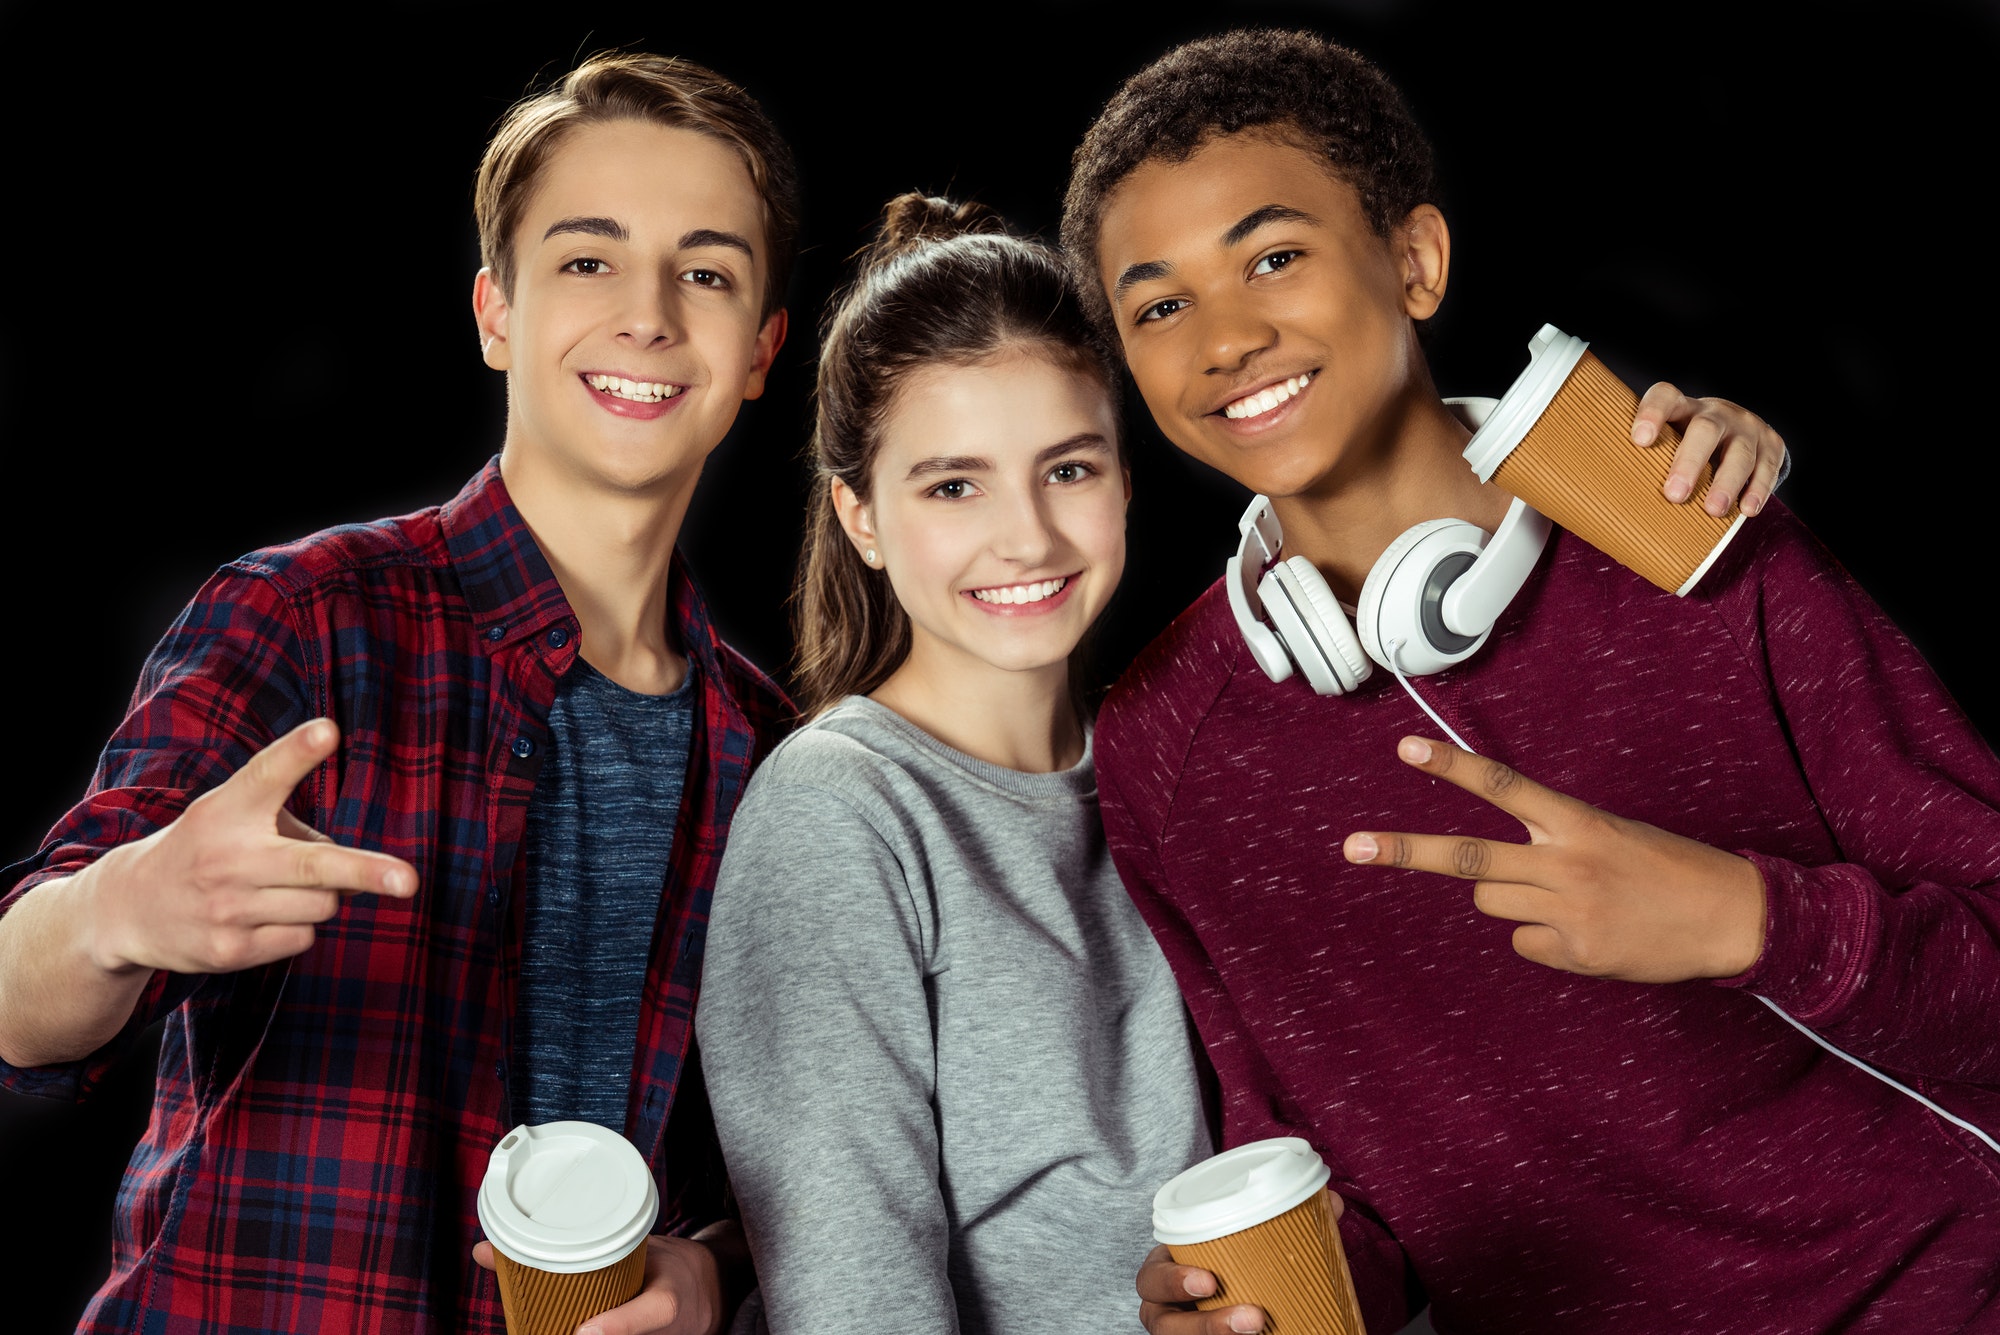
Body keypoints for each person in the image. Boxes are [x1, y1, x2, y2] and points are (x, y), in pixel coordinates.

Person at [1057, 29, 2000, 1335]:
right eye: (1158, 304)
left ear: (1415, 260)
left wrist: (1748, 918)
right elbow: (1328, 1181)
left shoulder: (1694, 526)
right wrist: (1268, 1293)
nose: (1223, 338)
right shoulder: (1160, 742)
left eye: (1274, 255)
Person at [0, 53, 794, 1335]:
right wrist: (119, 907)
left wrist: (714, 1266)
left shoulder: (778, 753)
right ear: (494, 311)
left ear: (759, 349)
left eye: (705, 271)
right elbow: (13, 1010)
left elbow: (774, 1157)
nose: (649, 313)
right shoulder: (304, 616)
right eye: (588, 260)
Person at [692, 195, 1215, 1334]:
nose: (1025, 537)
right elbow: (852, 1295)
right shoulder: (839, 814)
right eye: (952, 485)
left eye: (1067, 470)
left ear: (1124, 477)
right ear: (861, 517)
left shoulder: (1185, 757)